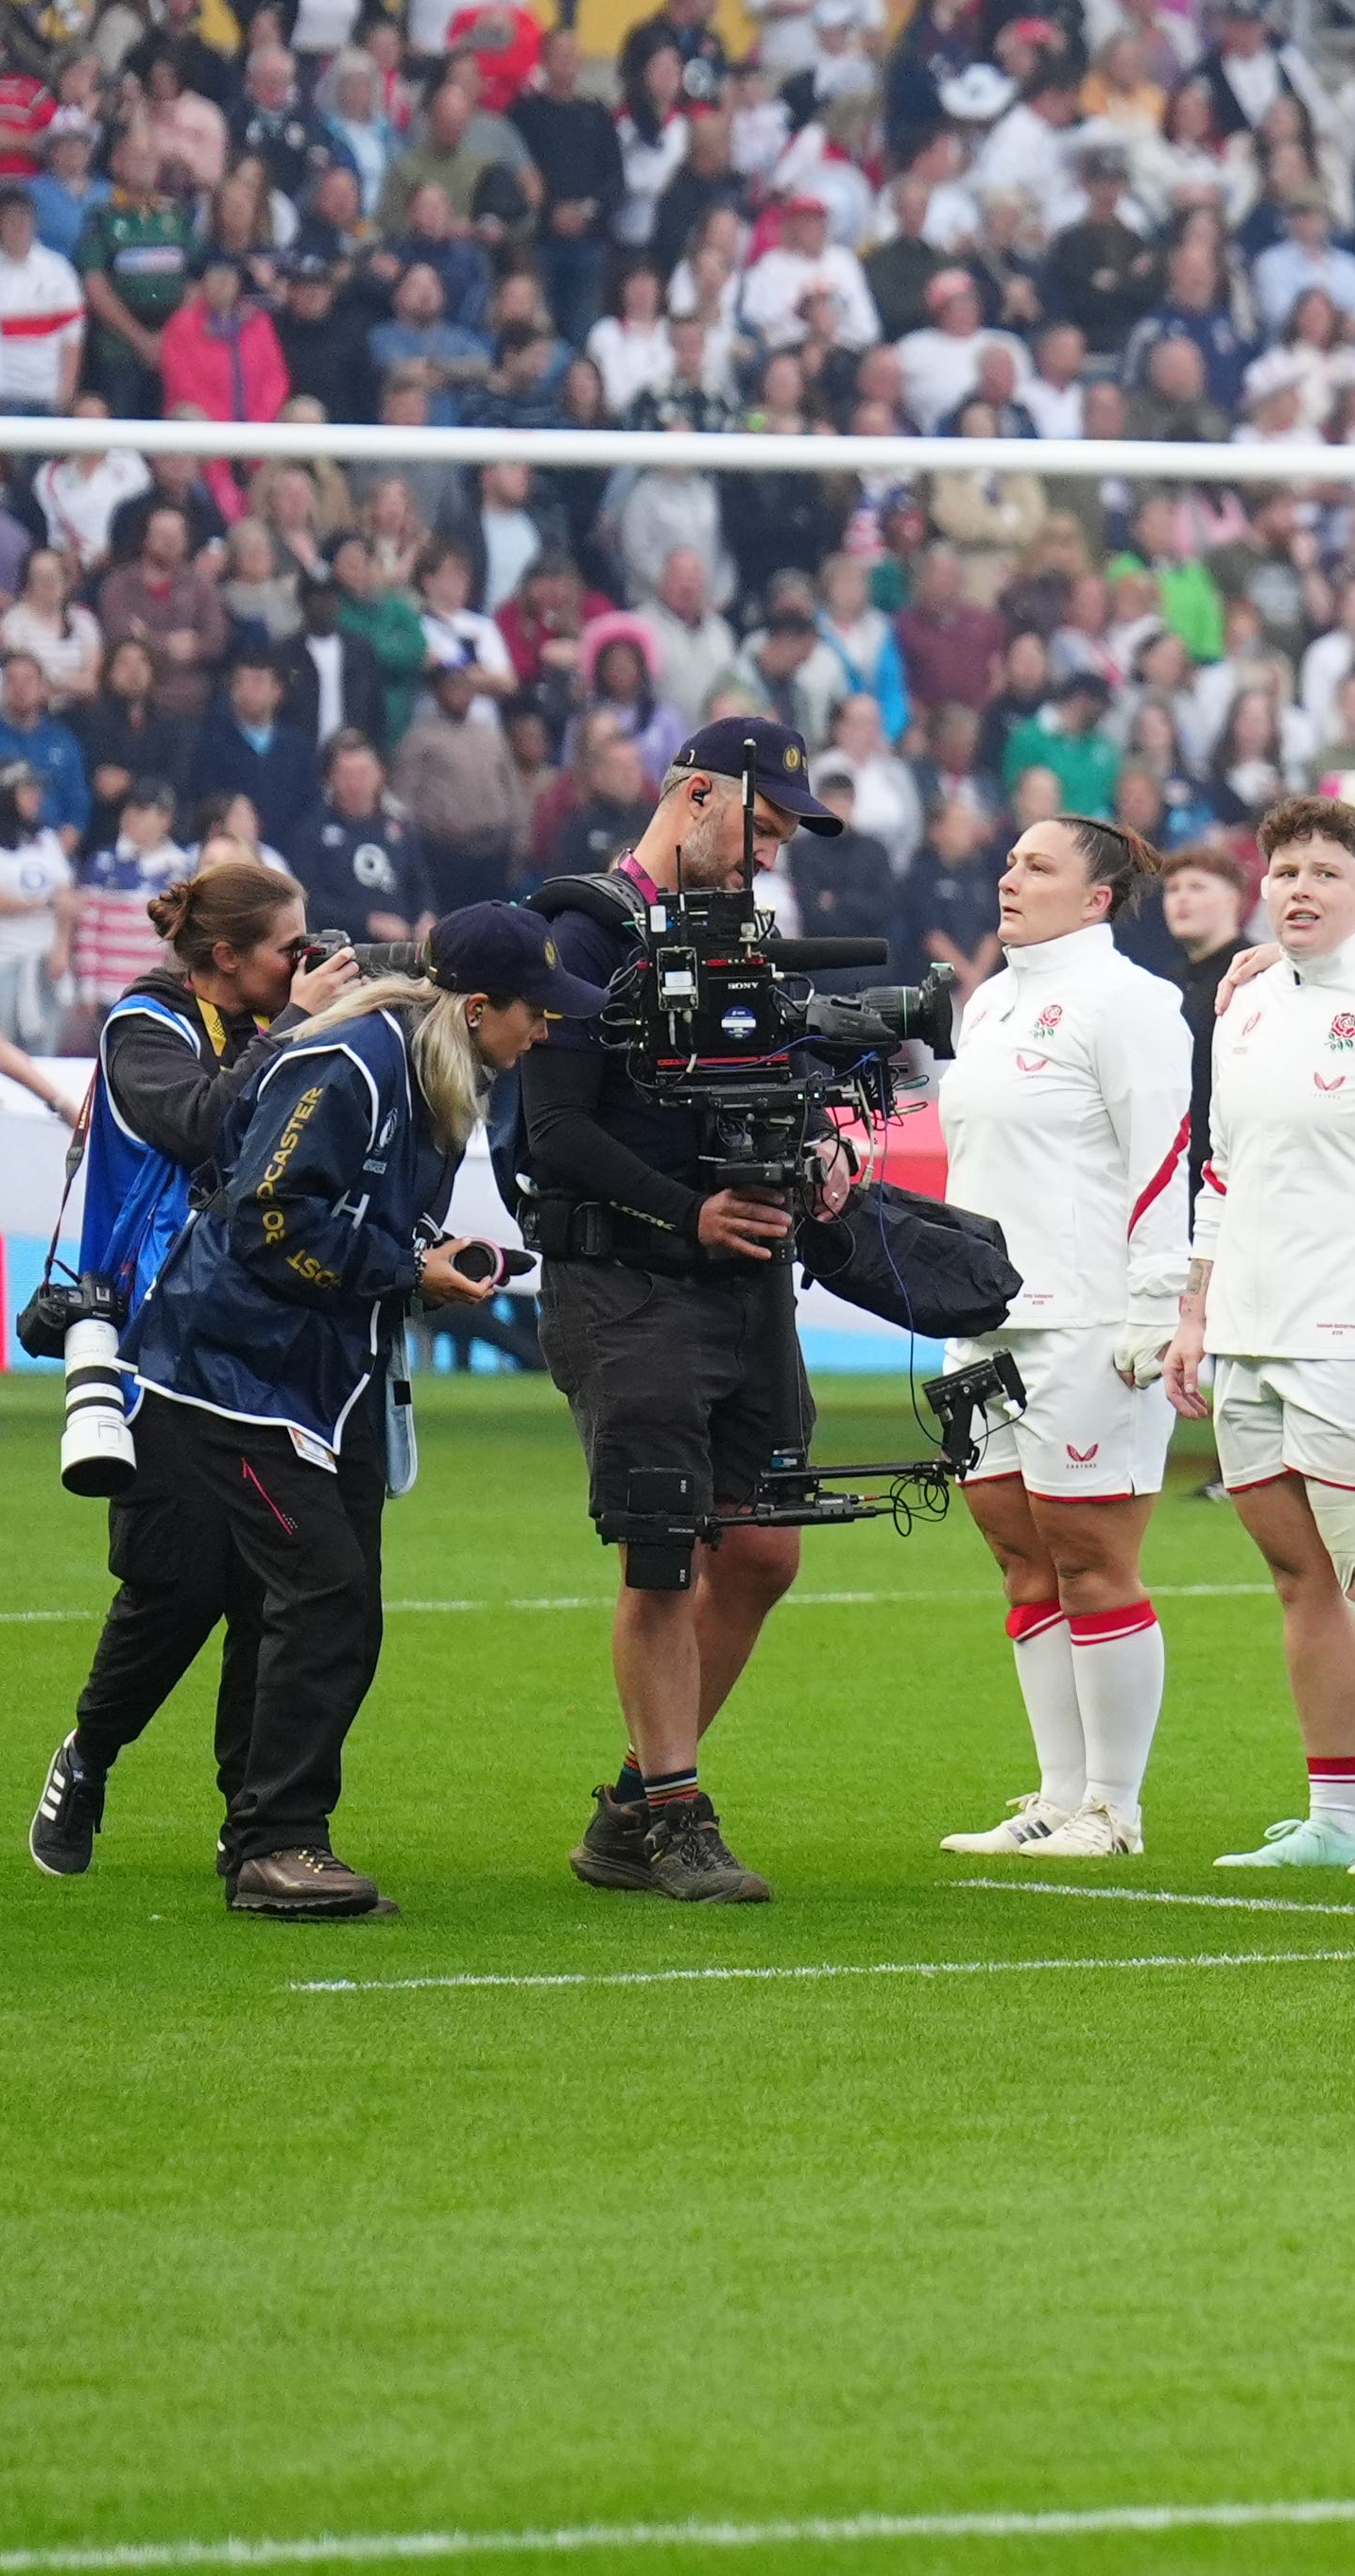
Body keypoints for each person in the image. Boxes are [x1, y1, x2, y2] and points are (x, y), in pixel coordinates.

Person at [72, 909, 556, 1914]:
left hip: (313, 1380)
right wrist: (404, 1266)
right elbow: (267, 1221)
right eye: (537, 1012)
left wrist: (430, 1260)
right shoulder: (354, 1058)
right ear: (476, 1007)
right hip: (230, 1376)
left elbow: (349, 1210)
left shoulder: (424, 1065)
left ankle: (265, 1831)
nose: (545, 1031)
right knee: (318, 1592)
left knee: (329, 1599)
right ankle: (272, 1844)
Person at [501, 714, 855, 1911]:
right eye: (758, 827)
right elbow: (557, 1132)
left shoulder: (741, 946)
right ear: (693, 795)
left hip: (744, 1279)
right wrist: (685, 1211)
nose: (767, 856)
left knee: (761, 1546)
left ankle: (630, 1808)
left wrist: (817, 1150)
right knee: (660, 1557)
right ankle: (676, 1812)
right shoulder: (580, 931)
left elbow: (770, 1080)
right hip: (625, 1279)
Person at [1165, 797, 1355, 1870]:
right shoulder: (1241, 1001)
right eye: (1283, 869)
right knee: (1299, 1579)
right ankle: (1339, 1817)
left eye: (1324, 872)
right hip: (1247, 1328)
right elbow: (1222, 1168)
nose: (1297, 888)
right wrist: (1193, 1310)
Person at [20, 865, 322, 1880]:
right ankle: (91, 1752)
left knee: (275, 1584)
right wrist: (294, 1034)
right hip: (154, 1348)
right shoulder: (144, 1026)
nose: (304, 963)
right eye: (289, 947)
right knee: (177, 1576)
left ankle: (259, 1823)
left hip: (270, 1342)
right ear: (226, 956)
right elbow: (202, 1122)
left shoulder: (288, 1020)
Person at [927, 817, 1192, 1861]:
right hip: (981, 1323)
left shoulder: (1134, 1004)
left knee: (1091, 1559)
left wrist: (1153, 1305)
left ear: (1097, 897)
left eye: (1037, 865)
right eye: (1009, 860)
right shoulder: (989, 999)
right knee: (1017, 1556)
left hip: (1086, 1321)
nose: (1009, 876)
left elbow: (1163, 1154)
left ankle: (1113, 1809)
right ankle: (1055, 1791)